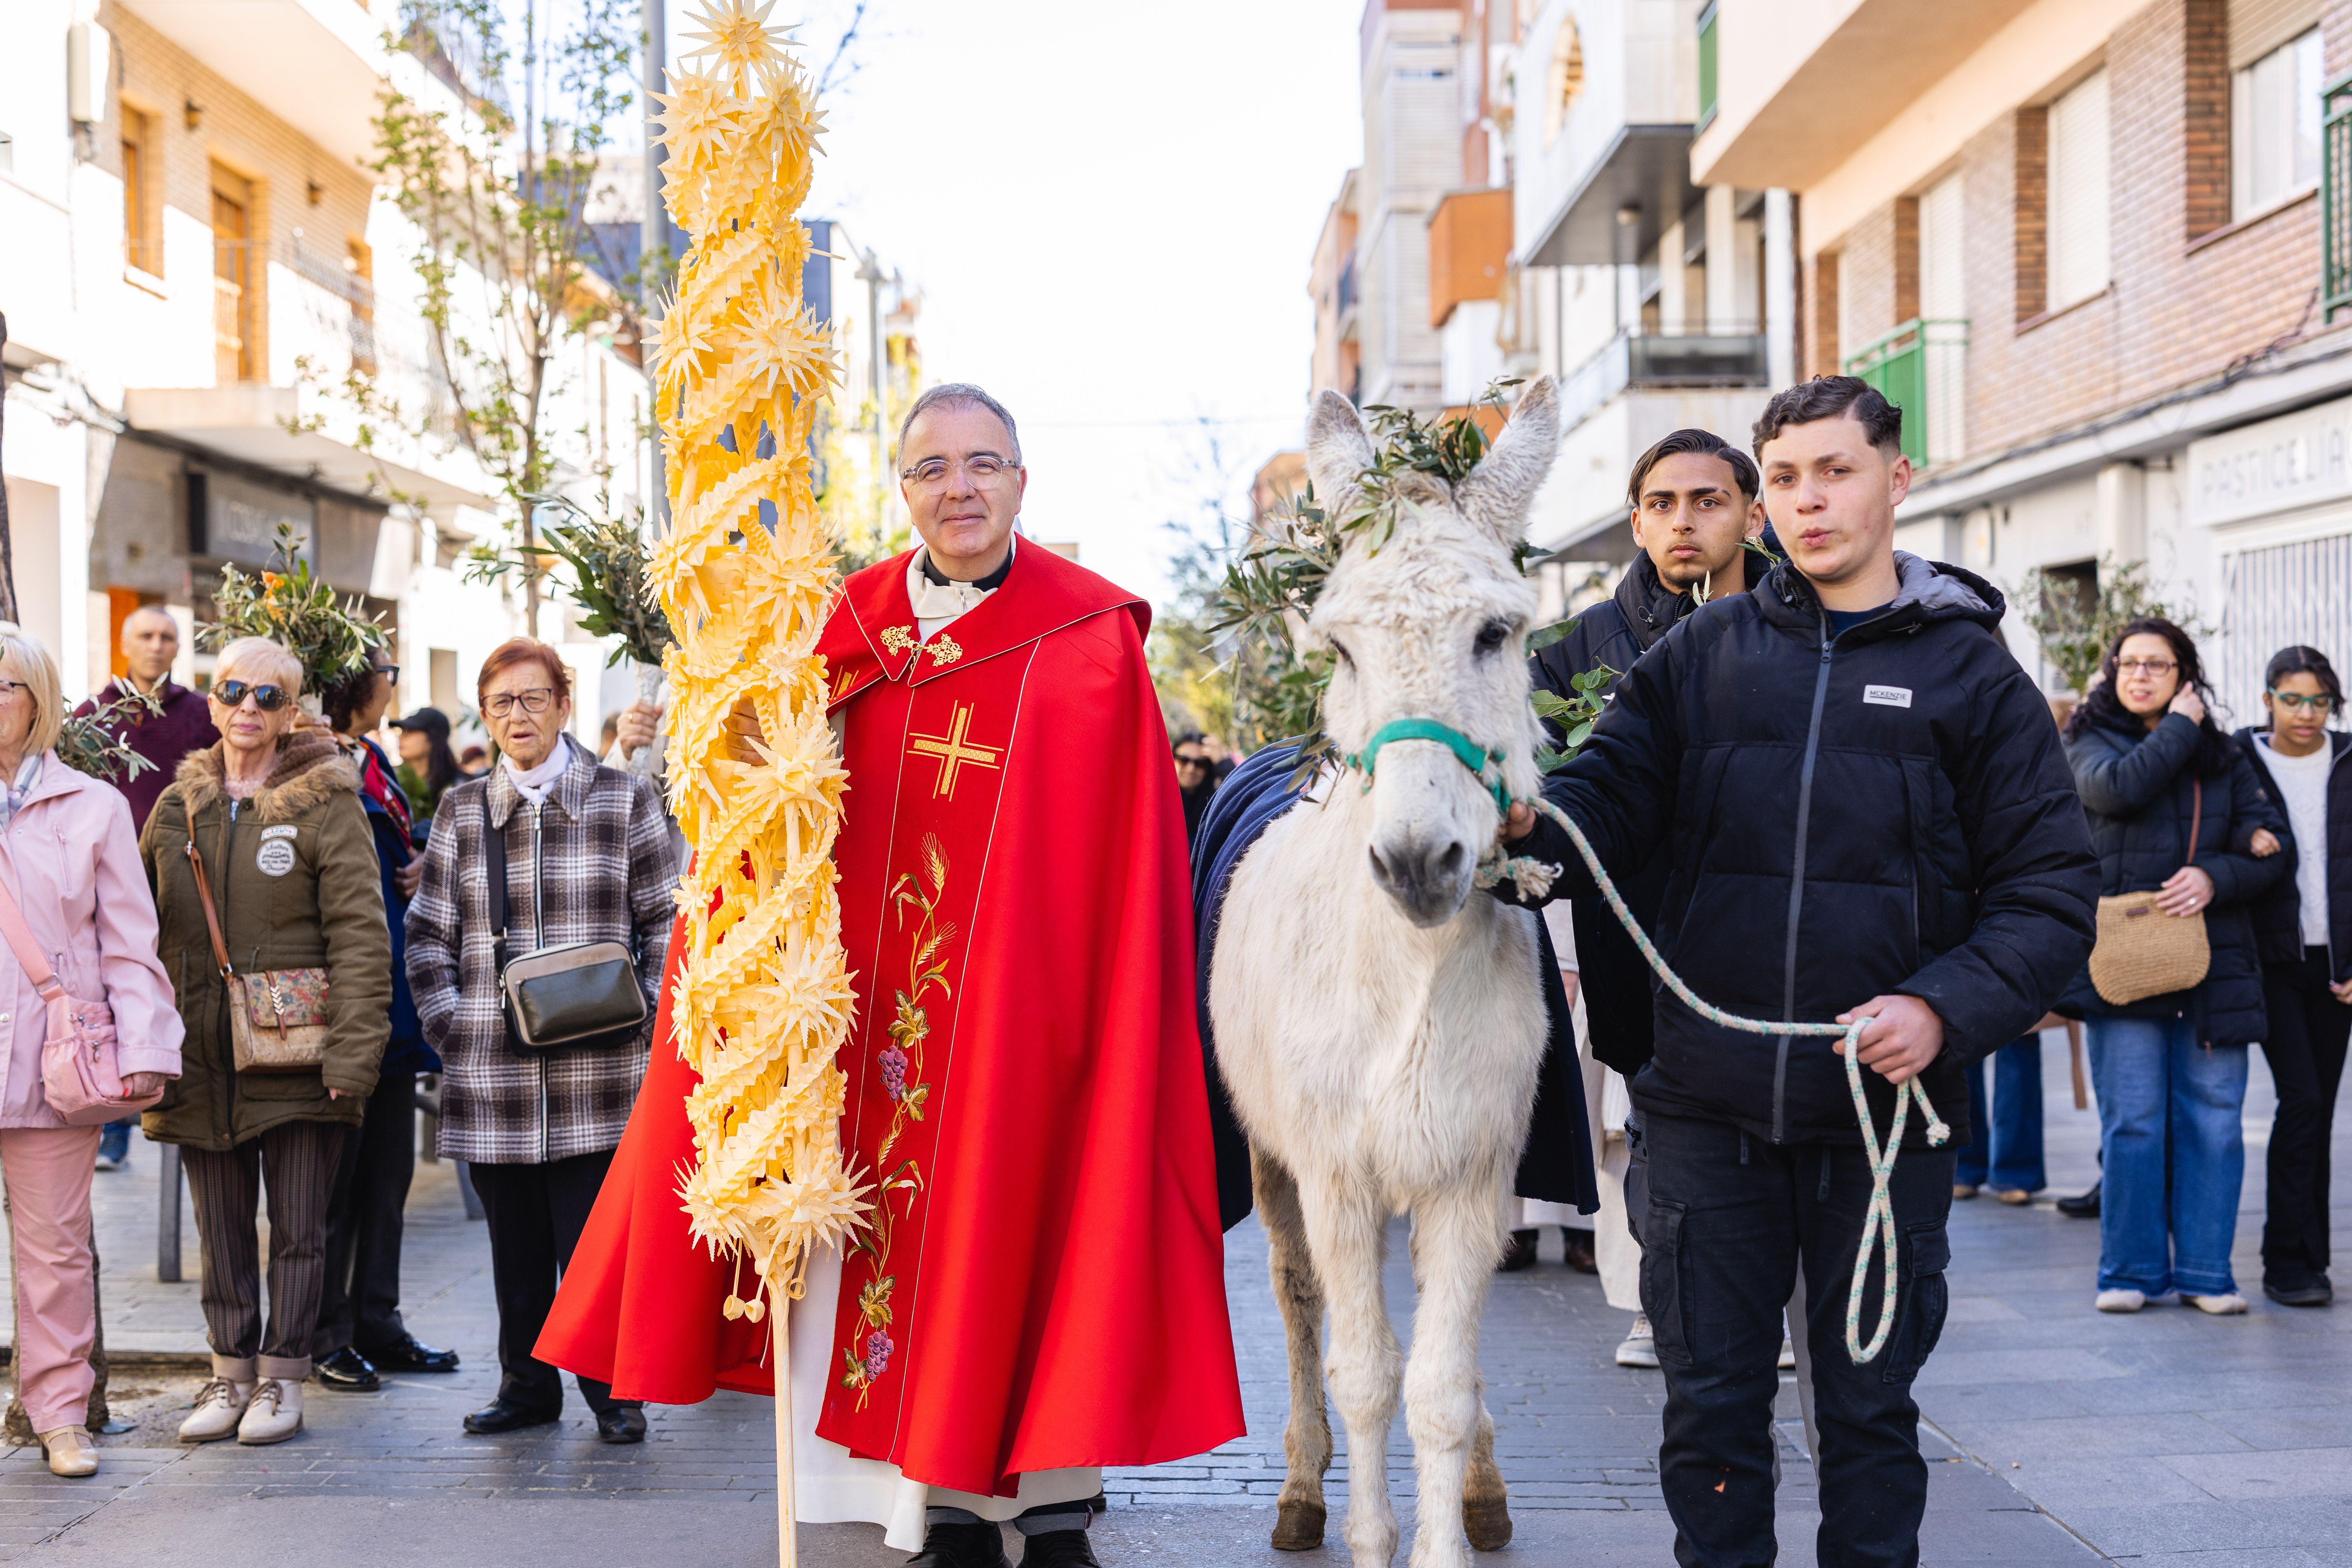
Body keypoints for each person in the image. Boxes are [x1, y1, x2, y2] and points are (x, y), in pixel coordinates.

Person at [541, 382, 1244, 1568]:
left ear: (1022, 480)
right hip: (859, 1029)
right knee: (876, 1247)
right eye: (931, 469)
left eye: (983, 463)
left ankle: (1041, 1499)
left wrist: (1089, 1015)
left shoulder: (1090, 639)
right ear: (903, 488)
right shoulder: (837, 631)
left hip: (1030, 1022)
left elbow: (1127, 862)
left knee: (1022, 1234)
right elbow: (764, 821)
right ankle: (899, 1495)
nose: (958, 489)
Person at [1496, 375, 2098, 1566]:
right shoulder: (1704, 655)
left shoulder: (1975, 678)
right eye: (1786, 478)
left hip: (1883, 1121)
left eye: (1836, 470)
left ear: (1896, 479)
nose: (1809, 499)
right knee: (1710, 1415)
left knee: (1869, 1419)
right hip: (1703, 1104)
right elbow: (1601, 796)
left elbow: (2049, 895)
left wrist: (1940, 1004)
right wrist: (1523, 820)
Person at [1525, 426, 1763, 1367]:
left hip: (1771, 924)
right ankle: (1660, 1306)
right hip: (1640, 926)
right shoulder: (1576, 648)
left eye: (1708, 500)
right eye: (1663, 503)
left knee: (1763, 1122)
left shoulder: (1807, 617)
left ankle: (1754, 1306)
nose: (1684, 521)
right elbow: (1556, 795)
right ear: (1636, 520)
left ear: (1749, 510)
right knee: (1653, 1122)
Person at [403, 638, 676, 1444]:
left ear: (563, 703)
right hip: (494, 1075)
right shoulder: (460, 811)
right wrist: (452, 1024)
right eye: (500, 703)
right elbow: (428, 937)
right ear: (484, 718)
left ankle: (612, 1391)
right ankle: (527, 1388)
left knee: (595, 1245)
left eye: (532, 698)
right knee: (516, 1247)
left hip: (605, 1068)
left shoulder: (624, 801)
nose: (516, 716)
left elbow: (667, 919)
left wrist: (652, 1009)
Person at [140, 637, 392, 1447]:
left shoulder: (327, 803)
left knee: (298, 1228)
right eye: (232, 691)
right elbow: (133, 926)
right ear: (211, 703)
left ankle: (283, 1378)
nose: (247, 707)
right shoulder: (177, 807)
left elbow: (361, 934)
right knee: (219, 1226)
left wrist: (354, 1055)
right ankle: (229, 1372)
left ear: (292, 715)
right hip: (200, 1054)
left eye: (268, 696)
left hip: (298, 1049)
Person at [2060, 617, 2286, 1316]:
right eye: (2128, 663)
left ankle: (2205, 1273)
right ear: (2111, 671)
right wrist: (2181, 729)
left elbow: (2273, 845)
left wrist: (2214, 877)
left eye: (2157, 665)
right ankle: (2127, 1272)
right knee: (2131, 1123)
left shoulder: (2223, 756)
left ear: (2183, 675)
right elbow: (2117, 792)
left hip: (2213, 964)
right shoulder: (2084, 741)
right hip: (2123, 965)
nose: (2139, 675)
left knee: (2213, 1121)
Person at [0, 624, 181, 1477]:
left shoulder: (94, 805)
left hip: (55, 1059)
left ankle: (60, 1413)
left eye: (5, 685)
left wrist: (145, 1047)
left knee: (57, 1248)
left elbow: (128, 942)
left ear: (37, 698)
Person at [308, 646, 461, 1389]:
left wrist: (423, 859)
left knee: (387, 1177)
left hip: (395, 1008)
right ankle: (325, 1331)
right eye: (386, 675)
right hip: (344, 1007)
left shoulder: (371, 761)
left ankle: (378, 1318)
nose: (393, 689)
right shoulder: (314, 767)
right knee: (336, 1184)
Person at [71, 606, 218, 1172]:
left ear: (178, 647)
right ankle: (113, 1130)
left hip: (185, 873)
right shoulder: (91, 717)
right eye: (147, 637)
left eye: (167, 637)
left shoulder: (204, 714)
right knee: (108, 996)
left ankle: (186, 1108)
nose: (157, 646)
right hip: (108, 881)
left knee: (181, 988)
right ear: (125, 645)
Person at [2236, 645, 2352, 1307]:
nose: (2305, 714)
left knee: (2316, 1109)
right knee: (2302, 1101)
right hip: (2271, 962)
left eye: (2318, 701)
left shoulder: (2346, 757)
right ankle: (2285, 1260)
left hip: (2335, 968)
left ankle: (2310, 1259)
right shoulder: (2239, 759)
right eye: (2291, 699)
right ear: (2267, 700)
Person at [390, 708, 461, 829]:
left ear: (433, 738)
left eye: (411, 731)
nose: (401, 737)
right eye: (402, 731)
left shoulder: (459, 785)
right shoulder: (392, 780)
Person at [1173, 730, 1218, 843]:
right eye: (1183, 760)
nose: (1191, 769)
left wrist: (1223, 763)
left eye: (1200, 763)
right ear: (1172, 759)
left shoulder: (1214, 808)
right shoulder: (1154, 801)